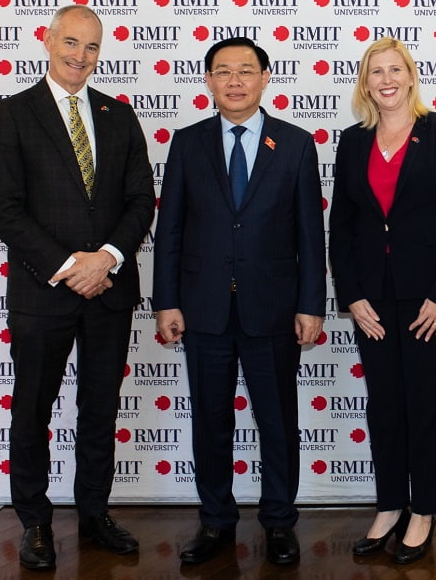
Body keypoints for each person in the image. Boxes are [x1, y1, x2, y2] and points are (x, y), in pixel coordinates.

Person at [0, 4, 155, 571]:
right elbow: (4, 210)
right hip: (42, 293)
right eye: (72, 42)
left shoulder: (118, 115)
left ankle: (94, 514)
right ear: (48, 40)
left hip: (109, 289)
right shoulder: (13, 114)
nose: (81, 56)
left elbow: (140, 200)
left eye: (92, 46)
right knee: (32, 410)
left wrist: (105, 260)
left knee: (100, 409)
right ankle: (34, 521)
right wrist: (67, 266)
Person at [153, 37, 326, 566]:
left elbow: (309, 234)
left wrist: (311, 304)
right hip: (202, 309)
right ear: (208, 81)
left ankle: (279, 521)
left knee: (277, 421)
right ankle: (215, 521)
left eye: (245, 70)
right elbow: (170, 229)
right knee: (210, 421)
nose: (234, 81)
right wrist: (166, 301)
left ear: (265, 77)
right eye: (222, 71)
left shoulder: (295, 144)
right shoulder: (188, 143)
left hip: (273, 309)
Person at [328, 37, 436, 564]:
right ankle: (390, 505)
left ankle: (423, 511)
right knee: (386, 407)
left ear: (411, 77)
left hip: (431, 301)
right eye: (376, 72)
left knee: (427, 407)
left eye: (395, 69)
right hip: (374, 302)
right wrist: (352, 296)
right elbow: (341, 227)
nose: (386, 79)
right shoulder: (352, 141)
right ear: (365, 84)